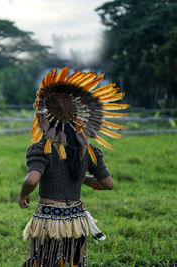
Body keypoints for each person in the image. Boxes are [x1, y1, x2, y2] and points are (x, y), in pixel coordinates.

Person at [18, 67, 129, 267]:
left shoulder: (42, 148)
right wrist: (82, 178)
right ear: (77, 116)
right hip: (76, 219)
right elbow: (108, 184)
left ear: (45, 117)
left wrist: (22, 194)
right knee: (73, 262)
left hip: (49, 218)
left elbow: (32, 179)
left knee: (43, 261)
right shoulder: (88, 149)